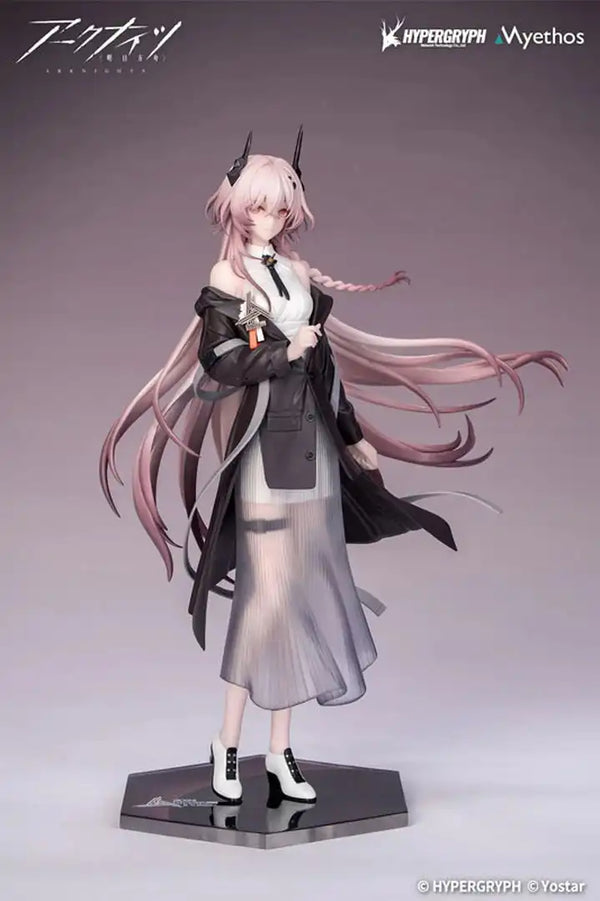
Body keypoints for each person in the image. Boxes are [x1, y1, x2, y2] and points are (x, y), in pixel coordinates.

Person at [99, 126, 567, 804]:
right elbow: (221, 361)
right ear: (236, 206)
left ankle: (280, 751)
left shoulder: (296, 274)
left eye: (280, 206)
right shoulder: (228, 278)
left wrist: (352, 435)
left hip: (312, 448)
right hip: (263, 450)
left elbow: (328, 371)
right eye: (259, 205)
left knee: (304, 594)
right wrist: (282, 352)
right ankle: (227, 744)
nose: (270, 217)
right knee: (265, 598)